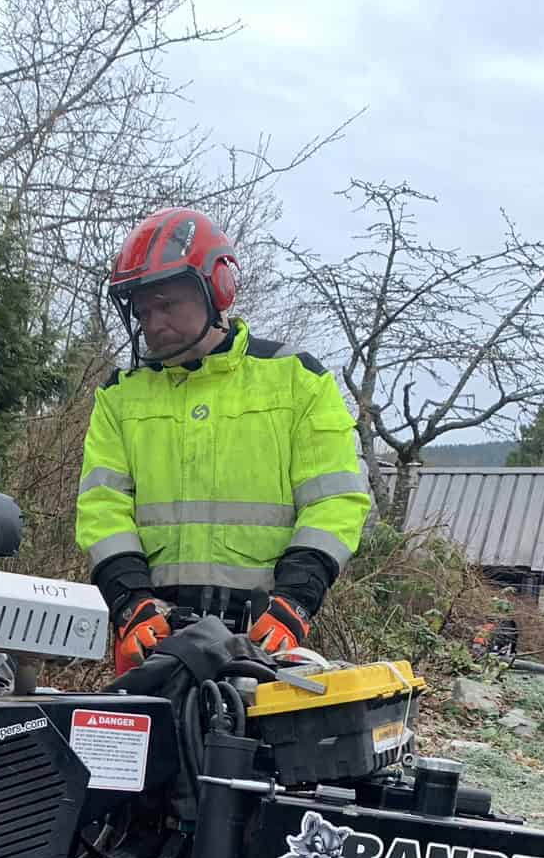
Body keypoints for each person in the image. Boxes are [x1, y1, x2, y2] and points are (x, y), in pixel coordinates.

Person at [75, 207, 372, 673]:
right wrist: (130, 600)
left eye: (166, 305)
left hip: (264, 635)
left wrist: (296, 599)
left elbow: (335, 501)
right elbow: (102, 509)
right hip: (154, 634)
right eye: (144, 311)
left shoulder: (296, 379)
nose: (153, 323)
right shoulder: (120, 396)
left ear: (217, 288)